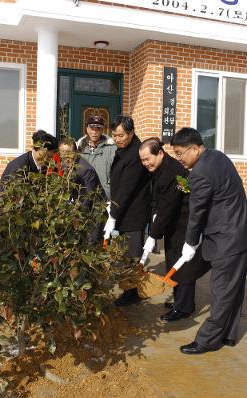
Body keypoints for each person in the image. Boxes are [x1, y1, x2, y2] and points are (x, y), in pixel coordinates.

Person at [170, 127, 247, 354]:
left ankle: (207, 341)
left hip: (227, 239)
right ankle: (228, 335)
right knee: (234, 288)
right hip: (238, 231)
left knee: (222, 291)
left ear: (195, 148)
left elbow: (197, 212)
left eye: (180, 153)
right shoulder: (217, 156)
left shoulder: (200, 172)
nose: (179, 159)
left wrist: (190, 243)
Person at [139, 138, 210, 321]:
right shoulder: (160, 168)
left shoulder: (172, 172)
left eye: (148, 159)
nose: (145, 163)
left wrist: (153, 234)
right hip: (172, 223)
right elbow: (158, 200)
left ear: (160, 153)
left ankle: (184, 307)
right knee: (173, 261)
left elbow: (169, 206)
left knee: (185, 266)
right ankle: (179, 300)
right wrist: (154, 217)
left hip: (185, 223)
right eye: (143, 160)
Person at [104, 115, 151, 306]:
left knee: (131, 256)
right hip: (122, 210)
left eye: (121, 135)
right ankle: (128, 289)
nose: (117, 139)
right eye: (114, 135)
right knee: (122, 255)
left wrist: (112, 215)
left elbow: (126, 190)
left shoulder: (135, 155)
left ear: (131, 133)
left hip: (133, 214)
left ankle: (132, 294)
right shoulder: (123, 149)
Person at [77, 115, 116, 199]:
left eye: (98, 129)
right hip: (84, 197)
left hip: (105, 197)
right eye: (92, 128)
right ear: (87, 129)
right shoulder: (79, 148)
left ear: (102, 130)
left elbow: (116, 174)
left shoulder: (112, 148)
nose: (94, 132)